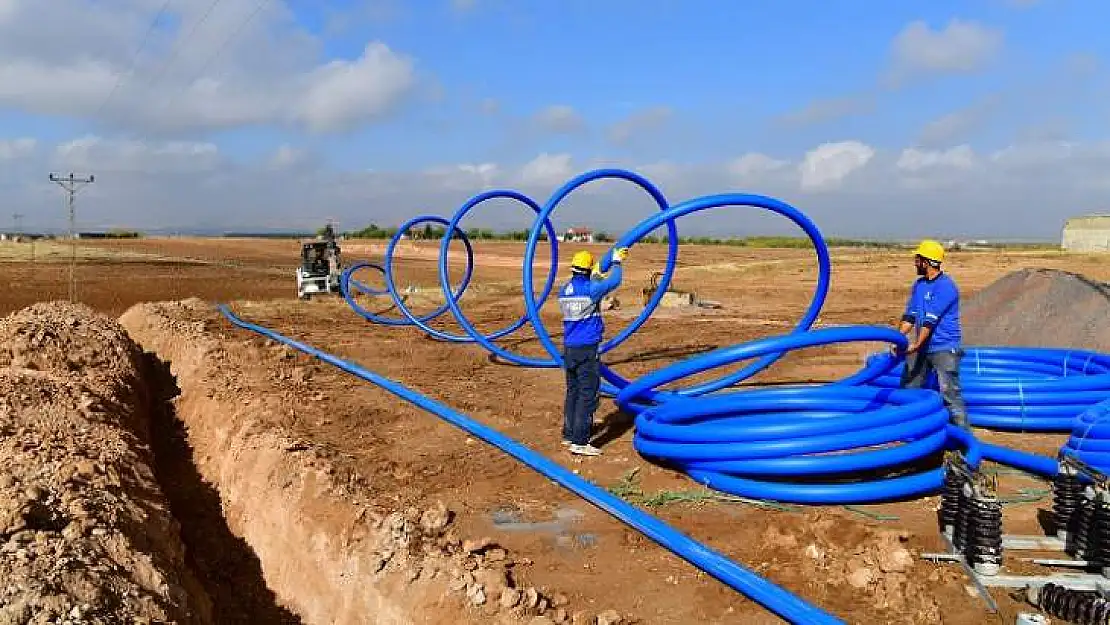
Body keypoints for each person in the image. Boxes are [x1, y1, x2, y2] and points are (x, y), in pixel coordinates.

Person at [558, 247, 629, 456]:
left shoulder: (565, 290)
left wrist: (598, 269)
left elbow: (595, 282)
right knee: (588, 394)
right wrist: (616, 262)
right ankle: (580, 442)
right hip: (587, 348)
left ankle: (569, 434)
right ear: (587, 270)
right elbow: (613, 281)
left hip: (570, 348)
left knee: (573, 392)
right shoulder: (591, 290)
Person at [896, 239, 969, 428]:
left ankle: (965, 444)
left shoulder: (946, 287)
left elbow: (930, 321)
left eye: (917, 258)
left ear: (926, 262)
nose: (915, 262)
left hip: (944, 347)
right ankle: (910, 433)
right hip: (923, 346)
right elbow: (910, 316)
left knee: (949, 394)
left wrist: (916, 345)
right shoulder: (919, 285)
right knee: (909, 388)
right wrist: (898, 338)